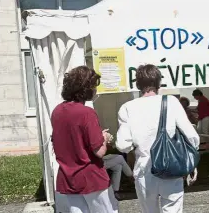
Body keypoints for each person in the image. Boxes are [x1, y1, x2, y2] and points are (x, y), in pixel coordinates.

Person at [116, 64, 199, 213]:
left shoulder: (127, 107)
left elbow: (123, 145)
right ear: (159, 83)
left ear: (137, 84)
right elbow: (192, 137)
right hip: (171, 166)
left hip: (144, 170)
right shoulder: (171, 102)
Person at [51, 66, 118, 213]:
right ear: (86, 88)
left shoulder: (57, 111)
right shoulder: (87, 113)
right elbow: (99, 151)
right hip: (91, 177)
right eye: (94, 86)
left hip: (68, 177)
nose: (95, 90)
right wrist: (104, 137)